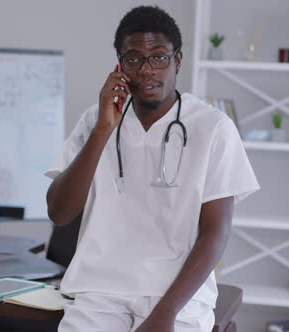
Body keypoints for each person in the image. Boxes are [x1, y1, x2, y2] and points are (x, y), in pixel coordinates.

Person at [45, 5, 259, 332]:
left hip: (179, 296)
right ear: (120, 65)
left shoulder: (213, 127)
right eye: (134, 59)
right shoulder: (95, 120)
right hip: (99, 292)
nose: (147, 70)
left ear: (178, 61)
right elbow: (59, 213)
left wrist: (166, 312)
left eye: (159, 57)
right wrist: (103, 131)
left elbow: (217, 230)